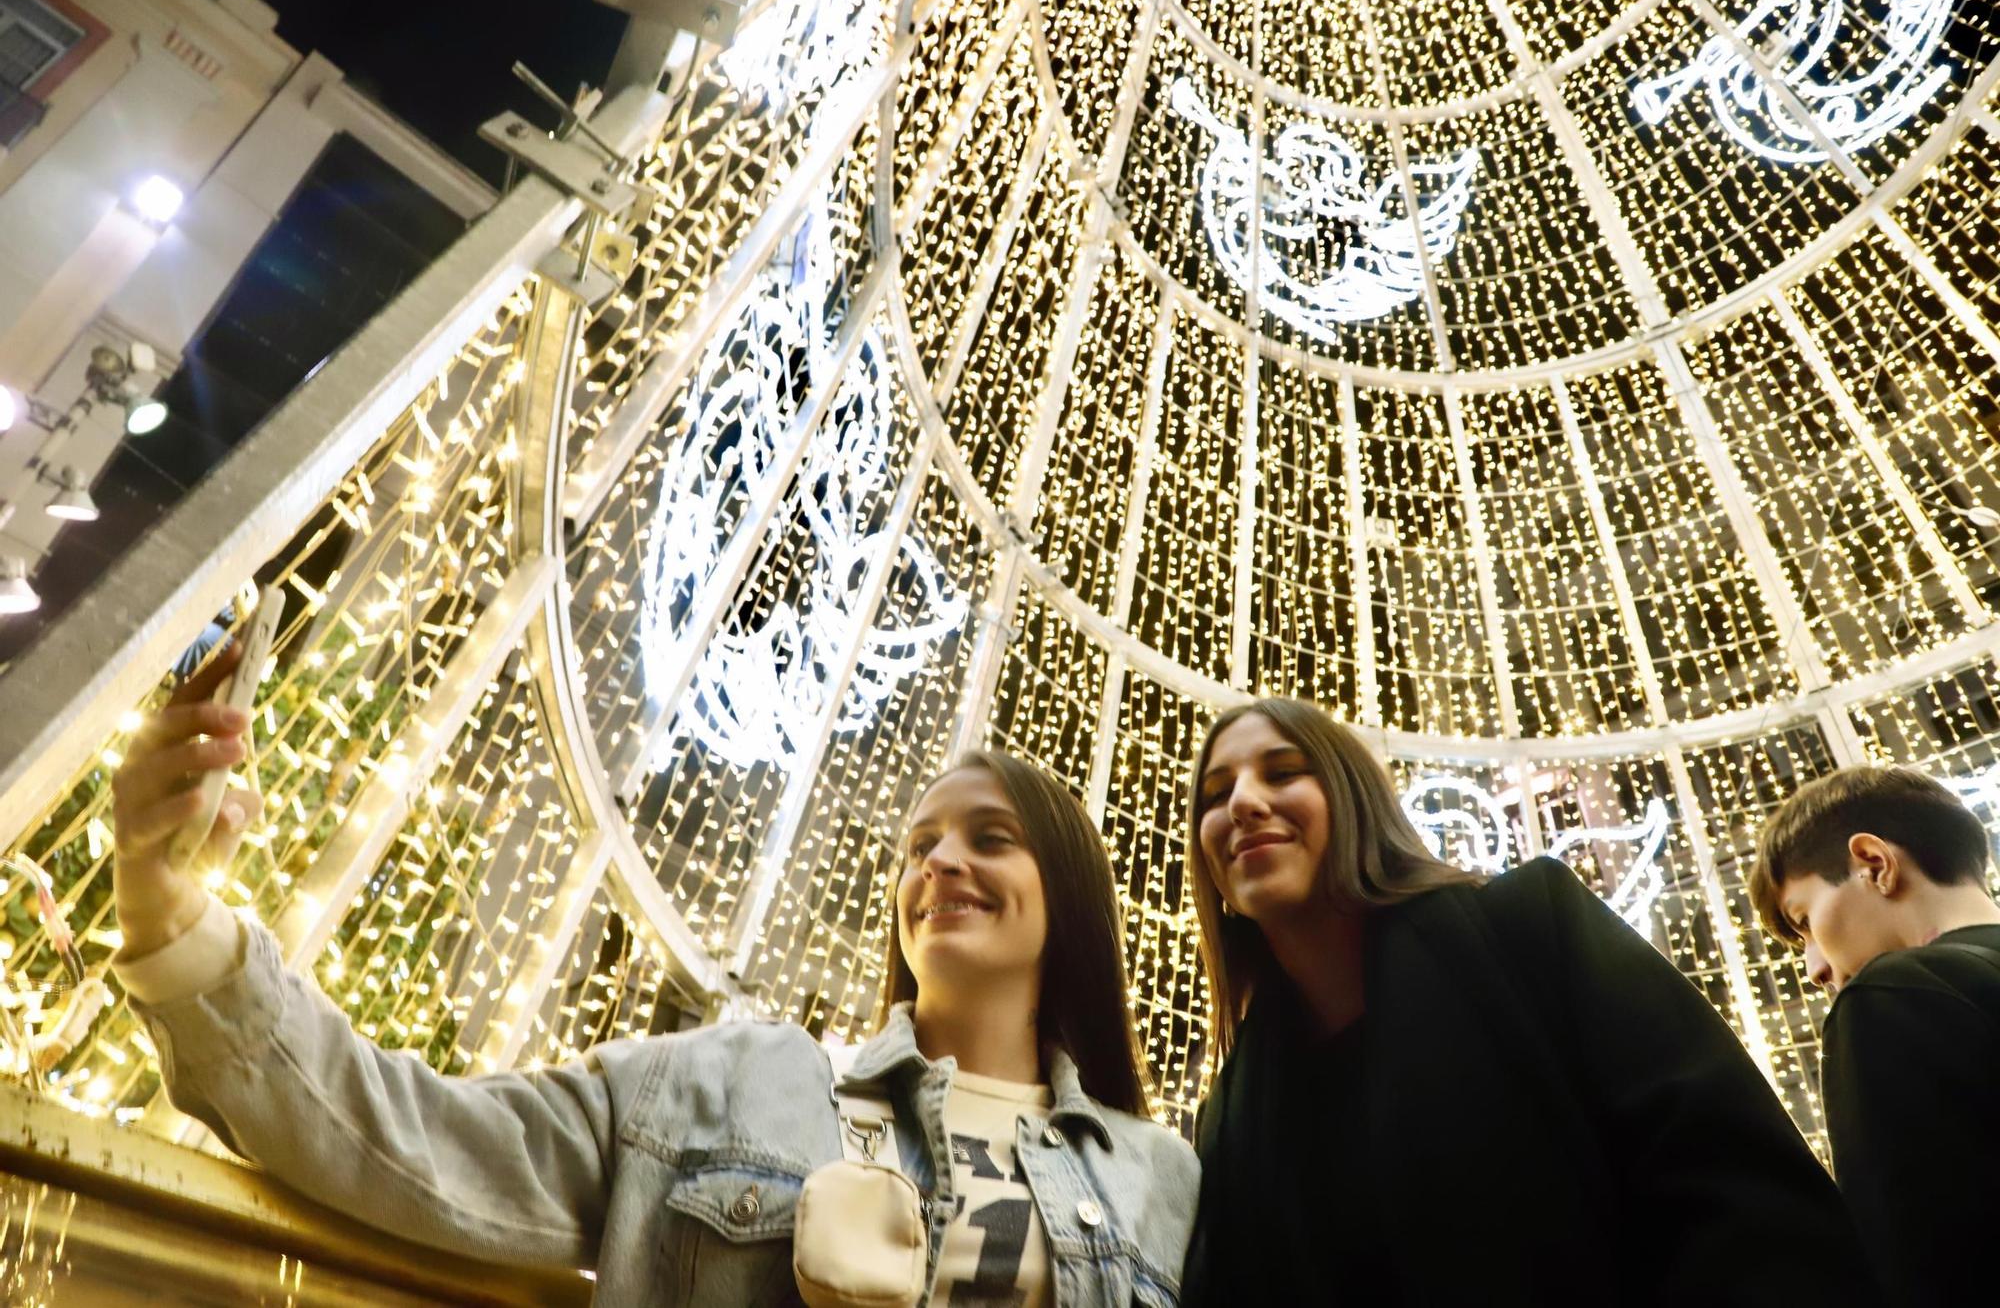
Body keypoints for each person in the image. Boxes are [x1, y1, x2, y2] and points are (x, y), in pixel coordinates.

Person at [110, 642, 1197, 1306]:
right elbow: (416, 1143)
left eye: (989, 838)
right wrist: (174, 920)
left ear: (1068, 894)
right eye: (918, 847)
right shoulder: (733, 1084)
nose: (940, 863)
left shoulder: (1165, 1181)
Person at [1177, 697, 1880, 1306]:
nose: (1241, 801)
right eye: (1214, 793)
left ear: (1352, 796)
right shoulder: (1231, 1117)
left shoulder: (1528, 931)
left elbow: (1735, 1184)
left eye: (1282, 771)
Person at [1748, 764, 2000, 1308]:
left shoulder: (1893, 996)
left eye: (1806, 921)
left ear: (1874, 863)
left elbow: (1920, 1266)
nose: (1815, 968)